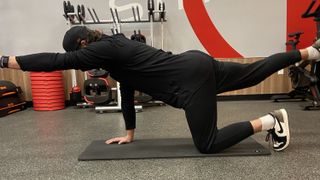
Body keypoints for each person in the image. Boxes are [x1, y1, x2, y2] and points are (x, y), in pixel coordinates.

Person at [1, 26, 320, 153]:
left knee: (207, 144)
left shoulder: (100, 51)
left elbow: (55, 60)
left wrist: (6, 60)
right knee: (253, 73)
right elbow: (126, 90)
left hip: (190, 80)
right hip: (195, 62)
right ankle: (311, 52)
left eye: (79, 55)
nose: (81, 64)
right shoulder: (116, 48)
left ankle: (271, 121)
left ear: (83, 45)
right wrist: (130, 133)